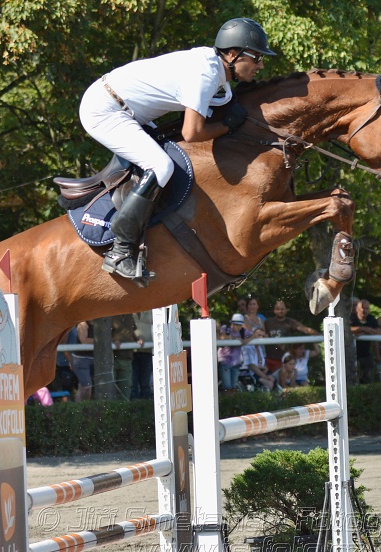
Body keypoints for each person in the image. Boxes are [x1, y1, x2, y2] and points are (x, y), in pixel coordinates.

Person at [79, 18, 275, 281]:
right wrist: (227, 128)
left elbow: (220, 103)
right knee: (161, 166)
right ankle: (120, 249)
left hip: (127, 109)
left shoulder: (216, 73)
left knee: (167, 156)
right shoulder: (205, 75)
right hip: (104, 110)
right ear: (232, 53)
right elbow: (191, 133)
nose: (260, 64)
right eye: (256, 57)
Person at [263, 300, 318, 371]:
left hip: (284, 359)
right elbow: (262, 334)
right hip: (268, 359)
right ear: (274, 311)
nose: (280, 311)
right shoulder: (268, 322)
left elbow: (304, 329)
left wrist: (320, 334)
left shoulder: (290, 322)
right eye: (278, 309)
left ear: (286, 310)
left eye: (282, 309)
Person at [350, 299, 381, 383]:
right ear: (357, 309)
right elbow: (347, 329)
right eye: (362, 308)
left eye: (367, 308)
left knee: (368, 380)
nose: (364, 310)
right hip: (351, 355)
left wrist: (362, 332)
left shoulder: (371, 319)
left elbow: (377, 332)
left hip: (366, 355)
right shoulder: (352, 317)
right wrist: (363, 329)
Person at [240, 325, 274, 391]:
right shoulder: (247, 347)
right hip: (249, 373)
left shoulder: (260, 348)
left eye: (263, 336)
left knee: (273, 378)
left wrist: (265, 368)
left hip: (258, 372)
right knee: (269, 383)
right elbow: (251, 366)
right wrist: (264, 376)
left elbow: (260, 363)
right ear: (253, 335)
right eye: (259, 335)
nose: (261, 338)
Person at [111, 313, 137, 400]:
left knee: (126, 385)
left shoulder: (130, 316)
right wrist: (113, 340)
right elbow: (103, 334)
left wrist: (138, 339)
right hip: (112, 357)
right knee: (111, 386)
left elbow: (132, 331)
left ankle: (125, 407)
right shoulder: (110, 315)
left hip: (127, 356)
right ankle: (111, 408)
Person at [131, 311, 154, 399]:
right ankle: (134, 406)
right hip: (132, 351)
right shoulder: (128, 310)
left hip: (147, 350)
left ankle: (146, 405)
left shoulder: (150, 310)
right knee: (133, 382)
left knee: (146, 382)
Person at [70, 321, 94, 401]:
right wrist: (101, 340)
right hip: (81, 360)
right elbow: (83, 340)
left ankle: (78, 410)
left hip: (92, 360)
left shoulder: (99, 324)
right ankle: (84, 408)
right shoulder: (83, 324)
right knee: (87, 387)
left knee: (82, 387)